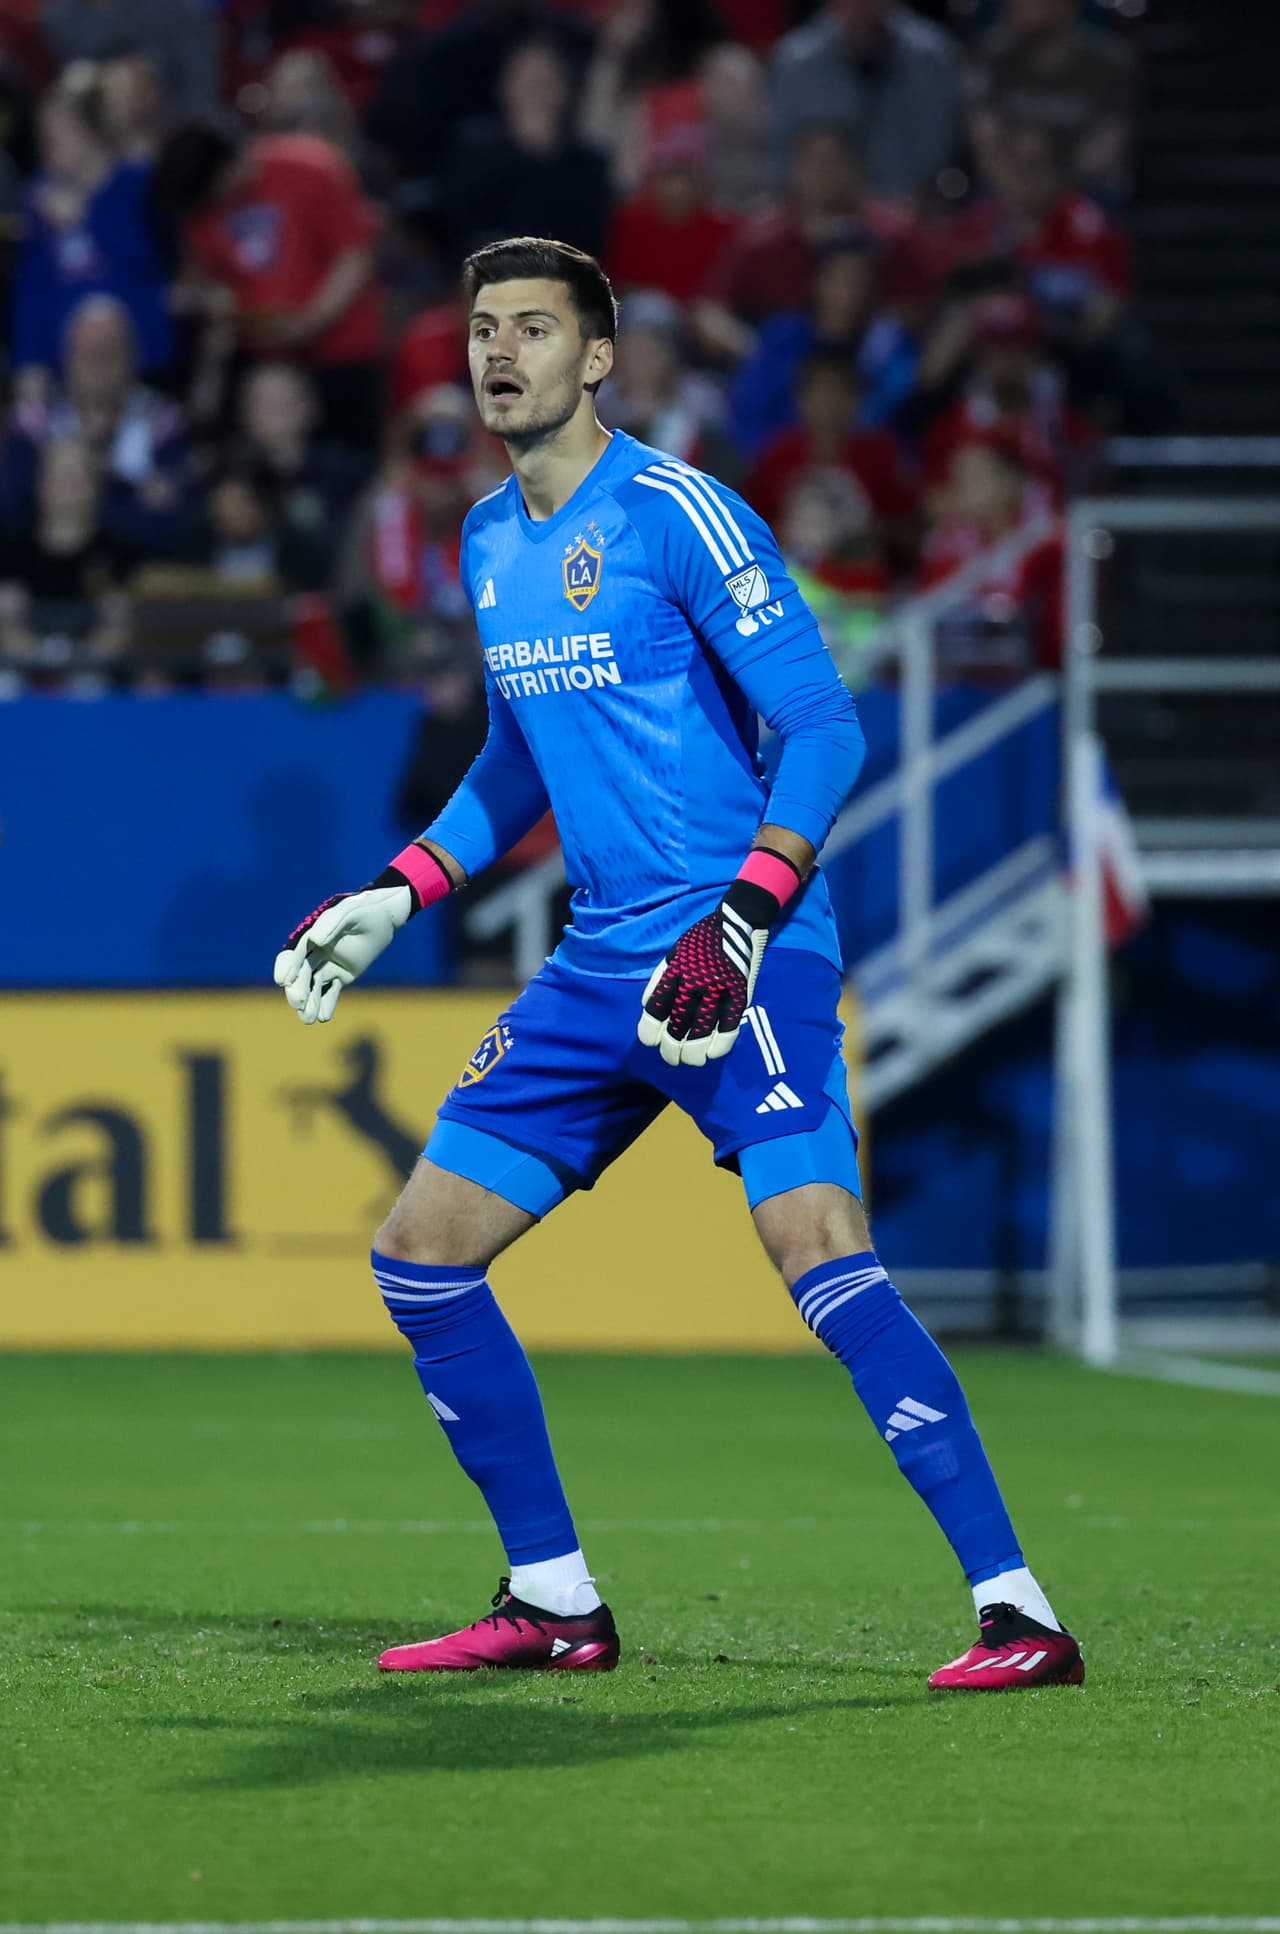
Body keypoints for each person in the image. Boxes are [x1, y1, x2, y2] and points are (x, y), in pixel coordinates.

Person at [273, 234, 1083, 1692]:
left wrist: (750, 917)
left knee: (818, 1249)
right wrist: (399, 889)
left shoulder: (676, 514)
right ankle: (554, 1598)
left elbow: (825, 726)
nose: (497, 352)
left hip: (741, 946)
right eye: (479, 329)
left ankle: (1018, 1609)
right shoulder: (489, 538)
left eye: (532, 327)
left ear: (599, 357)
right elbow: (519, 749)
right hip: (599, 964)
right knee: (422, 1254)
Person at [152, 118, 384, 450]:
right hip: (261, 362)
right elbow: (207, 276)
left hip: (340, 357)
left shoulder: (311, 166)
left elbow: (355, 255)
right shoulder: (203, 204)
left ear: (230, 163)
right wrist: (218, 304)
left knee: (345, 463)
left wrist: (308, 322)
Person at [11, 66, 174, 394]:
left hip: (140, 355)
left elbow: (147, 262)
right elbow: (32, 286)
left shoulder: (137, 184)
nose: (47, 150)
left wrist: (88, 217)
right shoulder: (39, 196)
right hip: (63, 362)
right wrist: (29, 362)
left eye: (56, 137)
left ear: (90, 131)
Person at [1, 294, 194, 558]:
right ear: (67, 355)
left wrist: (68, 504)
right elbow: (14, 511)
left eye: (109, 351)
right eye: (88, 352)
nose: (98, 363)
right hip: (40, 570)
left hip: (138, 571)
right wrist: (130, 494)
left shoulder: (162, 419)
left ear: (132, 355)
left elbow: (176, 522)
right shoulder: (33, 420)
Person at [438, 38, 612, 265]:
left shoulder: (588, 165)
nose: (536, 87)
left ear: (565, 90)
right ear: (504, 88)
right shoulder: (471, 152)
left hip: (560, 280)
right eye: (526, 79)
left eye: (545, 80)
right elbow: (456, 225)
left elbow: (589, 241)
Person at [769, 0, 964, 200]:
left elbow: (945, 154)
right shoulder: (796, 62)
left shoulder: (932, 56)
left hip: (921, 213)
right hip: (827, 216)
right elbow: (782, 161)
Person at [967, 0, 1135, 202]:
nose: (1014, 5)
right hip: (1007, 191)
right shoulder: (989, 55)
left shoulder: (1110, 62)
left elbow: (1106, 146)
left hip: (1081, 190)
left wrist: (1048, 188)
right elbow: (984, 136)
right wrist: (1020, 186)